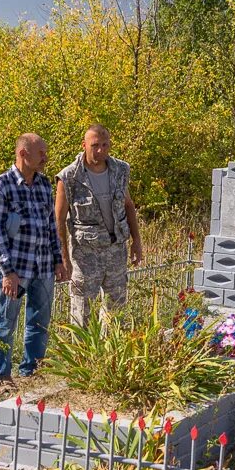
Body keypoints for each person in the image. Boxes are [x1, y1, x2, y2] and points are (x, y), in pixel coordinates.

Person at [0, 133, 66, 381]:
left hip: (42, 267)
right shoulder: (2, 186)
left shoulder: (43, 184)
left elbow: (50, 225)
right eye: (40, 152)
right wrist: (7, 272)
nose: (45, 157)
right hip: (16, 270)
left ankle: (31, 372)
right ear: (23, 154)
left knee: (39, 323)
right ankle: (1, 376)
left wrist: (57, 259)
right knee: (5, 324)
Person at [55, 124, 143, 326]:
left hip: (116, 253)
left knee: (116, 315)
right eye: (95, 146)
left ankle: (110, 357)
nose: (101, 150)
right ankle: (82, 357)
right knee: (83, 316)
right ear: (84, 145)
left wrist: (136, 241)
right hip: (86, 257)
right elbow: (58, 220)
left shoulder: (120, 170)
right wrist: (63, 259)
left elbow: (128, 205)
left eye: (105, 145)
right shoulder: (69, 177)